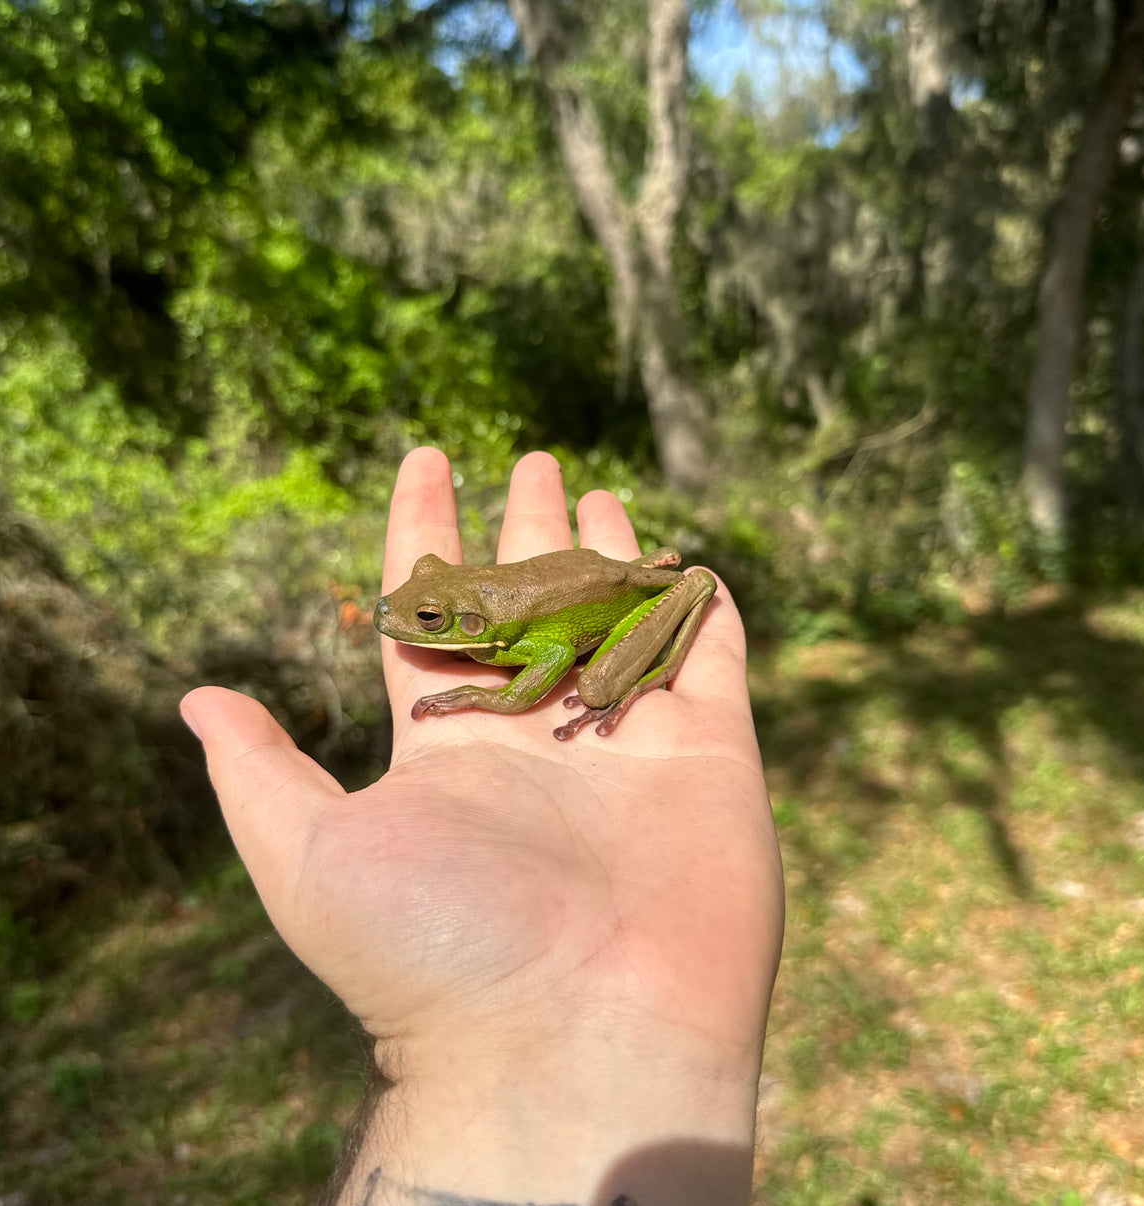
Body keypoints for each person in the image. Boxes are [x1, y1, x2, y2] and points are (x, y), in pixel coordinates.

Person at [181, 448, 785, 1206]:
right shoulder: (473, 615)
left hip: (608, 603)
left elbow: (554, 651)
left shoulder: (512, 638)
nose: (401, 619)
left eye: (427, 618)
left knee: (594, 682)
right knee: (617, 623)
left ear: (468, 623)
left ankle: (653, 656)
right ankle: (665, 593)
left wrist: (486, 698)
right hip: (602, 579)